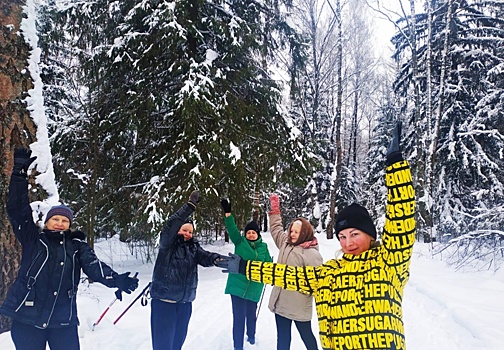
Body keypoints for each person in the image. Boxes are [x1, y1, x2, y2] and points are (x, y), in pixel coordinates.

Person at [217, 121, 416, 350]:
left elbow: (402, 222)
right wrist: (245, 267)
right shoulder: (330, 272)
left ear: (371, 235)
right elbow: (288, 275)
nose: (348, 243)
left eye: (354, 234)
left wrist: (396, 167)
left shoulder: (388, 263)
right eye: (342, 236)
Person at [0, 148, 139, 350]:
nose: (59, 223)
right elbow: (17, 209)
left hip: (63, 320)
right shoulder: (33, 239)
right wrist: (19, 176)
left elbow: (93, 266)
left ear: (69, 225)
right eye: (55, 219)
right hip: (27, 317)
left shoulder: (77, 246)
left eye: (64, 220)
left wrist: (116, 279)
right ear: (47, 222)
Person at [150, 190, 223, 350]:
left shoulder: (193, 248)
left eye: (190, 232)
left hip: (184, 304)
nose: (188, 234)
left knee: (177, 345)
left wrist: (220, 260)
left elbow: (206, 257)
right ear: (177, 230)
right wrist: (189, 206)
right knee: (163, 346)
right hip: (164, 304)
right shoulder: (167, 244)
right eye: (184, 230)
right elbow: (171, 224)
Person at [267, 193, 323, 350]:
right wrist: (275, 211)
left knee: (307, 337)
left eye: (296, 232)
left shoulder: (311, 254)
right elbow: (276, 229)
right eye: (291, 230)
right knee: (283, 339)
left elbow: (317, 282)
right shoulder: (286, 244)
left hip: (299, 307)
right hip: (281, 304)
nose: (292, 234)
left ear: (304, 233)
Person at [220, 199, 272, 350]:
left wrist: (269, 271)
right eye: (248, 232)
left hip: (255, 287)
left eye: (253, 232)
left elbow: (268, 264)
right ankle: (238, 346)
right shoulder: (240, 242)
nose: (250, 234)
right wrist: (228, 214)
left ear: (257, 234)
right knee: (238, 318)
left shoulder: (264, 247)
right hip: (237, 285)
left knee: (251, 315)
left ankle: (251, 336)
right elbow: (232, 229)